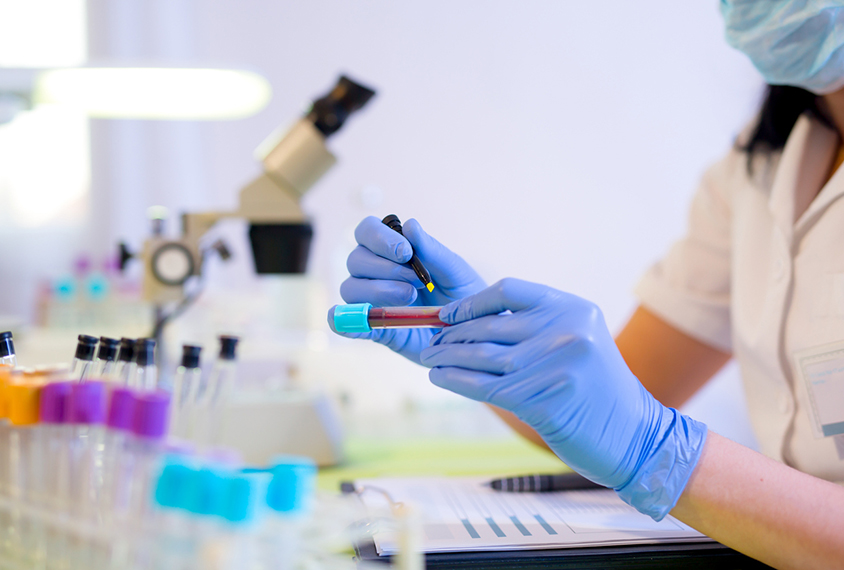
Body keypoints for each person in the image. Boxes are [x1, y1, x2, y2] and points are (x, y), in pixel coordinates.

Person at [329, 2, 844, 568]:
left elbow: (631, 429)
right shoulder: (762, 163)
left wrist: (659, 454)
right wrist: (483, 344)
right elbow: (594, 408)